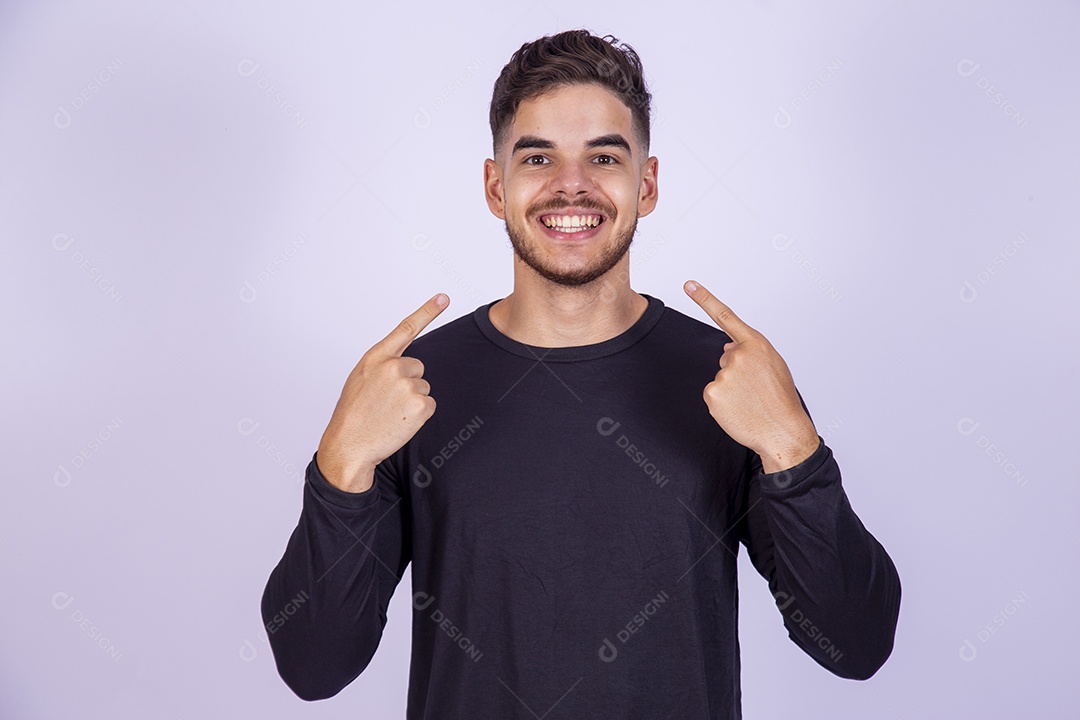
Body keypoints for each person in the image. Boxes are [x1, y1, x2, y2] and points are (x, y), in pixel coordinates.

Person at [261, 29, 901, 719]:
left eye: (604, 156)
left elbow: (855, 645)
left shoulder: (733, 384)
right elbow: (313, 665)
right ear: (494, 186)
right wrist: (341, 464)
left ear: (646, 184)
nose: (572, 184)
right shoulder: (410, 392)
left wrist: (792, 450)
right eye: (538, 157)